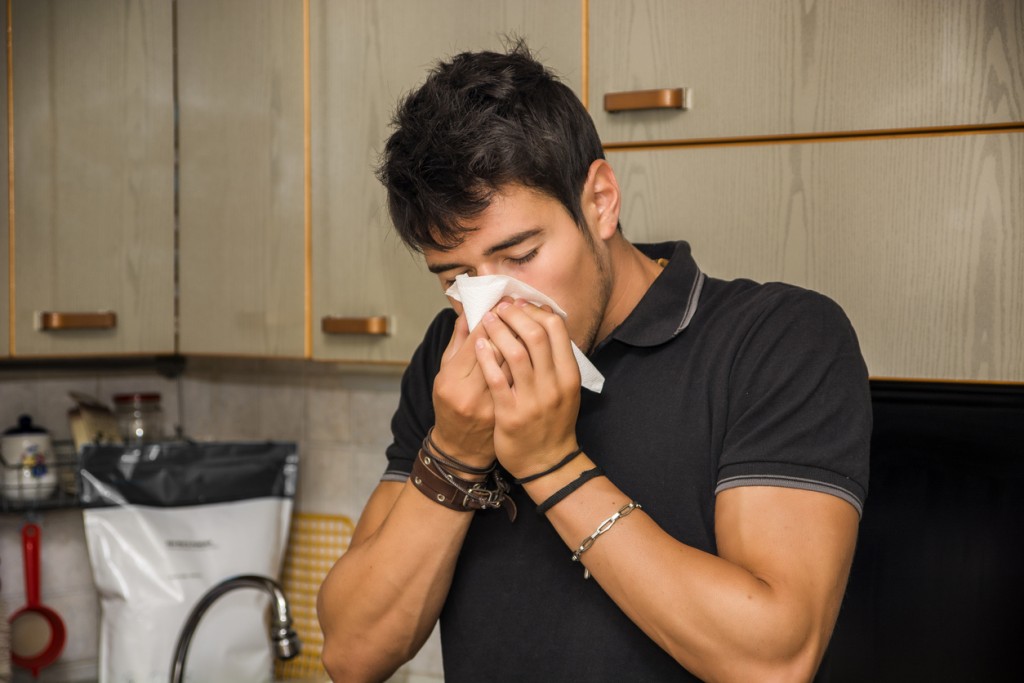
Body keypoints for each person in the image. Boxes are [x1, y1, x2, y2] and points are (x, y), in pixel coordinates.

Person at [317, 41, 870, 683]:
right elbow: (352, 654)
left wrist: (550, 463)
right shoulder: (453, 360)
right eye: (456, 276)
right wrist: (455, 451)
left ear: (601, 200)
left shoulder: (777, 340)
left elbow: (774, 659)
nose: (491, 306)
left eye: (520, 256)